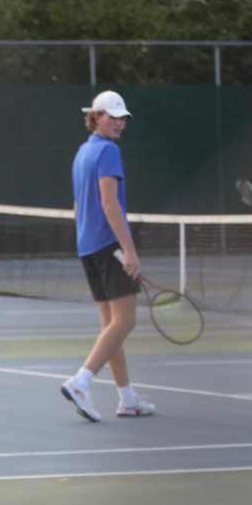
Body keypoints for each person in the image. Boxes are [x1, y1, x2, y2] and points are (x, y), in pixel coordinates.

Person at [60, 90, 156, 423]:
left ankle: (127, 399)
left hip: (87, 246)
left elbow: (77, 206)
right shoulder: (108, 152)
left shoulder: (82, 152)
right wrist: (128, 250)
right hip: (107, 245)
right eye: (112, 116)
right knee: (126, 321)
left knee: (110, 325)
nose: (119, 123)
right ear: (96, 116)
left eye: (122, 117)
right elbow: (109, 203)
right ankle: (81, 381)